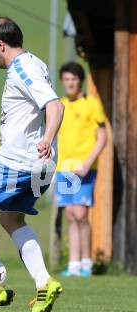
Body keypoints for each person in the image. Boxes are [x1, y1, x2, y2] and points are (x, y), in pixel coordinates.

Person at [0, 16, 65, 312]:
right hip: (38, 165)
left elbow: (55, 106)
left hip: (18, 162)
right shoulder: (35, 63)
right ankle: (45, 283)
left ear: (0, 45)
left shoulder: (23, 68)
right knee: (10, 218)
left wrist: (46, 138)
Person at [56, 62, 107, 277]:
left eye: (74, 79)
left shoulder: (91, 104)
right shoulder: (60, 105)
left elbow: (103, 136)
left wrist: (88, 162)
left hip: (84, 168)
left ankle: (86, 263)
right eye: (66, 80)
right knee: (70, 214)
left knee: (81, 214)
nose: (70, 83)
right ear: (62, 82)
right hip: (64, 168)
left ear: (80, 81)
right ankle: (74, 265)